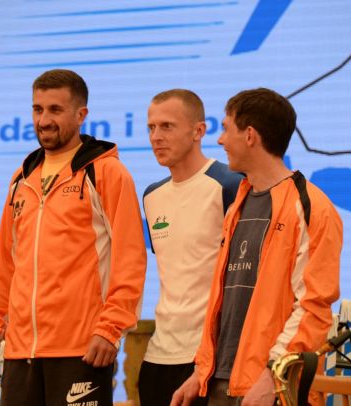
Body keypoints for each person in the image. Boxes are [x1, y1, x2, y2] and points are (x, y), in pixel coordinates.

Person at [0, 69, 147, 406]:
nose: (44, 120)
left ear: (81, 115)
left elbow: (131, 259)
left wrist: (110, 329)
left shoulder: (106, 172)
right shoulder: (21, 178)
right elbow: (6, 266)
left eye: (55, 110)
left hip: (81, 351)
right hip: (20, 352)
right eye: (38, 109)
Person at [171, 88, 343, 406]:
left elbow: (313, 308)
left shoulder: (311, 207)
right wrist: (201, 371)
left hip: (270, 387)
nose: (220, 140)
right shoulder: (238, 202)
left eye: (226, 129)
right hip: (221, 380)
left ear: (249, 135)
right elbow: (228, 300)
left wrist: (273, 376)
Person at [139, 89, 242, 406]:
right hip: (158, 355)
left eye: (167, 126)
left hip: (209, 360)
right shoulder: (151, 196)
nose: (156, 137)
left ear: (199, 131)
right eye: (151, 127)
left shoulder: (230, 184)